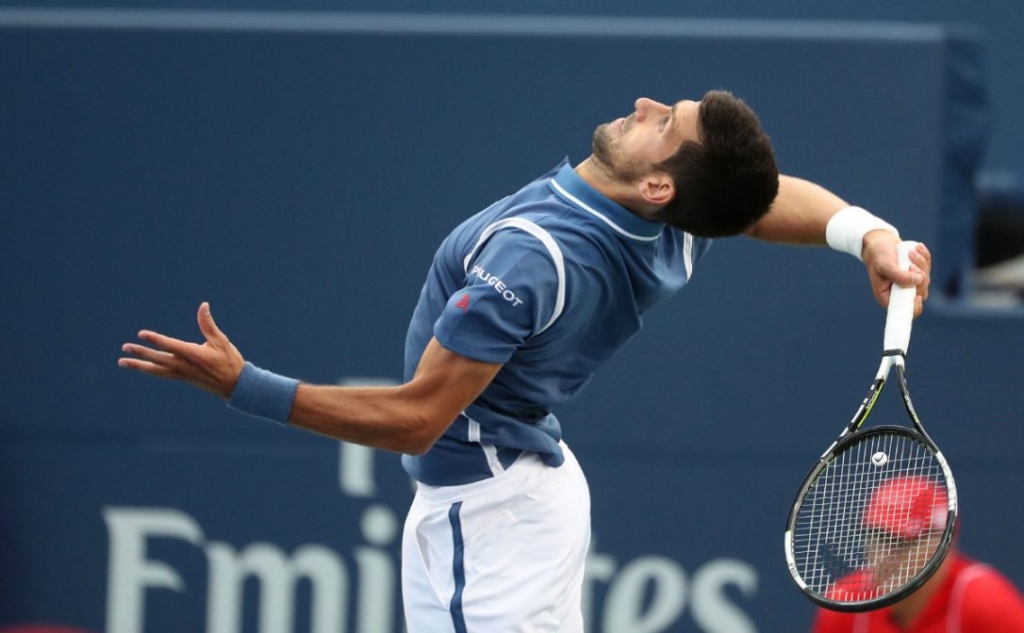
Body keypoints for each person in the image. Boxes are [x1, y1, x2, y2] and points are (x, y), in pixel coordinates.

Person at [118, 90, 932, 632]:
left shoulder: (533, 262)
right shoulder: (669, 221)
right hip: (487, 497)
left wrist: (244, 386)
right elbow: (759, 205)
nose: (646, 103)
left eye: (664, 123)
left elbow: (415, 417)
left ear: (658, 184)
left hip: (496, 513)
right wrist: (867, 232)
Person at [812, 476, 1024, 632]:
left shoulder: (987, 603)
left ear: (946, 544)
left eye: (903, 542)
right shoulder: (844, 604)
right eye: (877, 537)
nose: (885, 556)